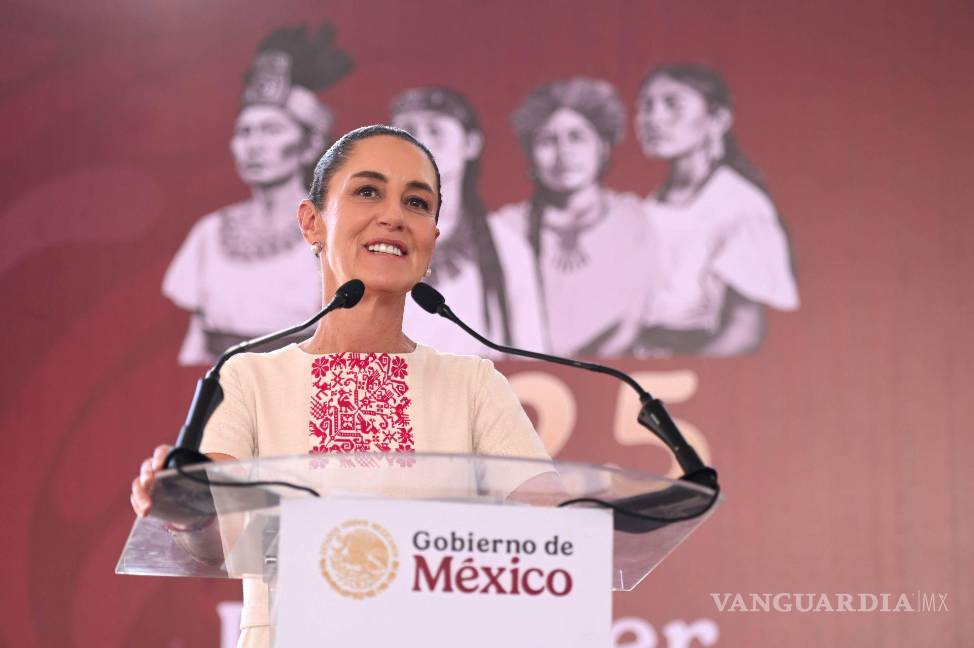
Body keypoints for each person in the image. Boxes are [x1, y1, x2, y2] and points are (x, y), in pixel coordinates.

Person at [131, 125, 551, 648]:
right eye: (368, 191)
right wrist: (187, 512)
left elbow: (554, 539)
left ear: (432, 239)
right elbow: (217, 542)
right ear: (312, 222)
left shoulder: (474, 385)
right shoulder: (247, 377)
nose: (394, 216)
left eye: (417, 203)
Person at [162, 25, 353, 365]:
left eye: (271, 130)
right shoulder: (210, 232)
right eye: (245, 132)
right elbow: (196, 343)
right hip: (225, 386)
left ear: (309, 144)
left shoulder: (336, 234)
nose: (254, 146)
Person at [626, 63, 799, 356]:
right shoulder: (650, 204)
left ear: (718, 120)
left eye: (673, 104)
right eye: (646, 107)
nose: (654, 118)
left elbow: (744, 331)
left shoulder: (741, 207)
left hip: (693, 363)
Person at [492, 77, 656, 357]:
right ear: (530, 155)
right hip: (528, 376)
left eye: (577, 137)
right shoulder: (506, 228)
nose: (564, 153)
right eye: (548, 141)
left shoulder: (634, 218)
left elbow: (635, 317)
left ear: (603, 147)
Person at [390, 87, 547, 355]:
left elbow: (532, 356)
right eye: (407, 132)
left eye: (436, 131)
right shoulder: (364, 239)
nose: (421, 143)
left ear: (471, 144)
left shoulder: (508, 248)